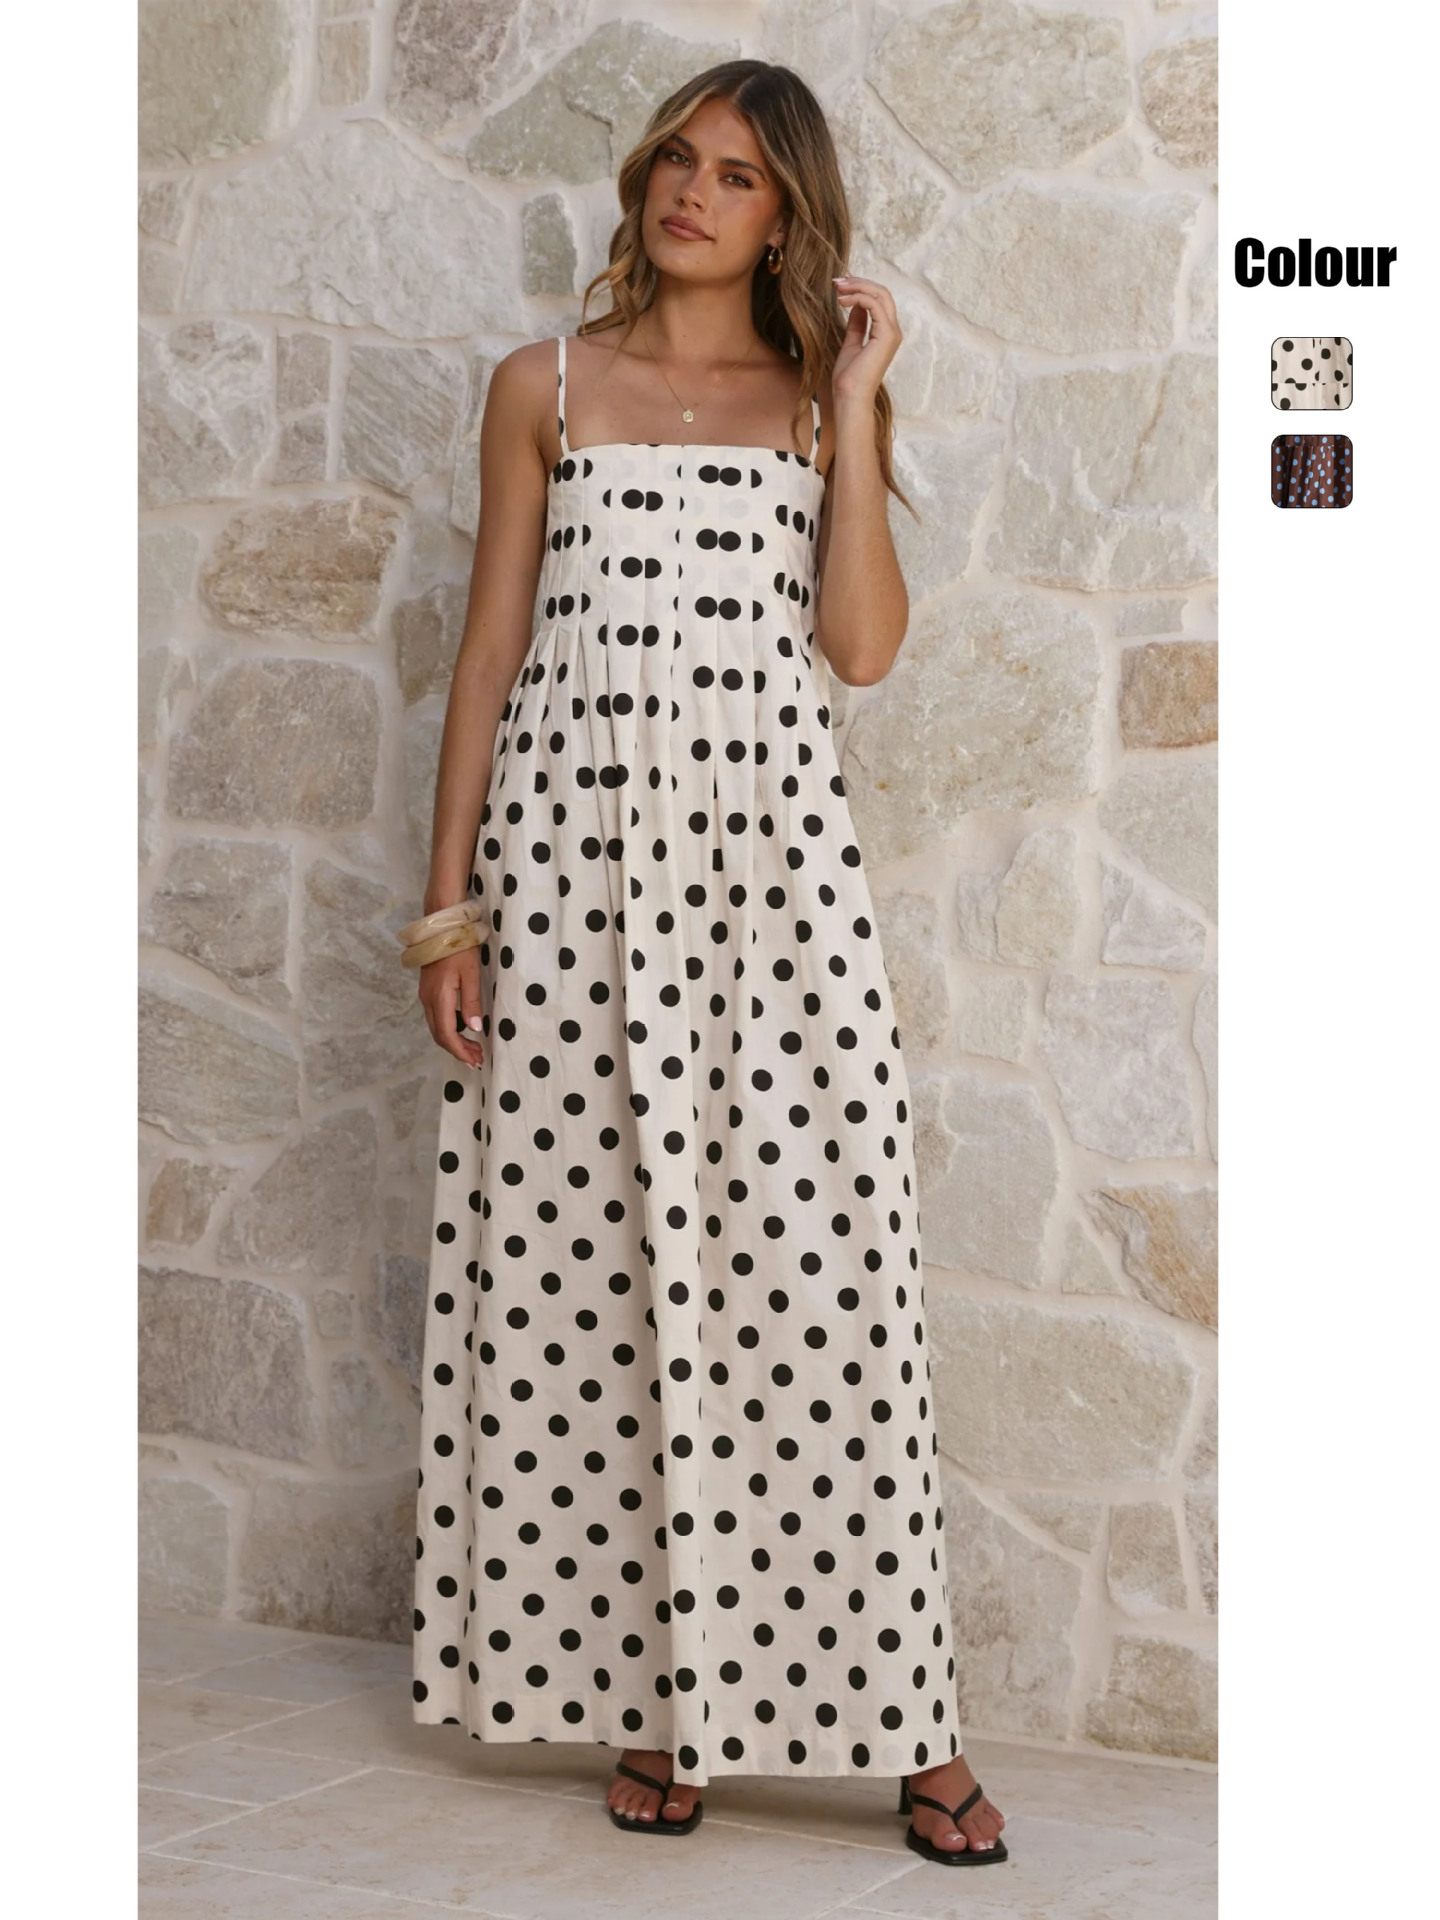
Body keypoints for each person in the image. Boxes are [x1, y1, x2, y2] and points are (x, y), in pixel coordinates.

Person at [401, 59, 1009, 1868]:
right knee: (598, 1287)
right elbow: (490, 654)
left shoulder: (818, 401)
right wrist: (449, 912)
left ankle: (914, 1726)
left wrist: (862, 402)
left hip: (774, 894)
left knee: (829, 1288)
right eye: (679, 159)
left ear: (786, 214)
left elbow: (863, 646)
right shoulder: (545, 387)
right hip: (570, 889)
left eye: (738, 175)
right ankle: (664, 1704)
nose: (693, 192)